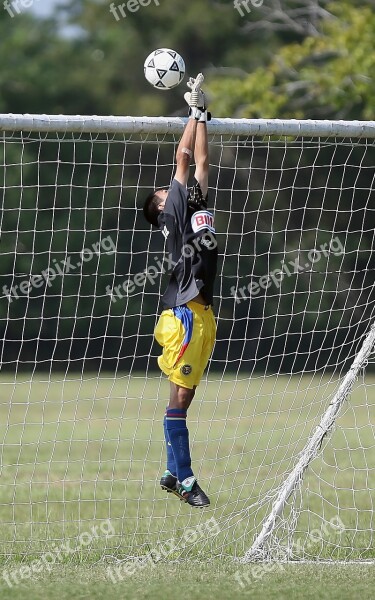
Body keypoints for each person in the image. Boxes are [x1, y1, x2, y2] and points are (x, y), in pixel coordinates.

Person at [143, 74, 218, 507]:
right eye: (162, 190)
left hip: (204, 313)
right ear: (159, 205)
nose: (167, 187)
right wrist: (190, 113)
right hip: (184, 314)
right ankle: (185, 478)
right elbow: (184, 156)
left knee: (184, 398)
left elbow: (202, 162)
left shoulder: (195, 203)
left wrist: (203, 114)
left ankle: (173, 473)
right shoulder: (171, 209)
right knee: (180, 398)